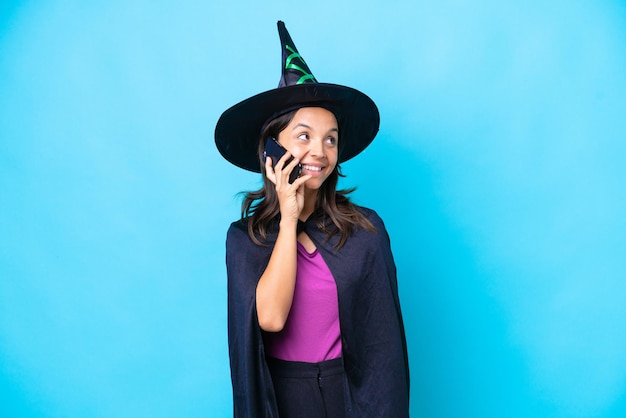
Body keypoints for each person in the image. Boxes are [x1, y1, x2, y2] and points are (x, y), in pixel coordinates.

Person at [215, 21, 410, 417]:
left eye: (331, 138)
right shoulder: (244, 238)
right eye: (303, 136)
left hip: (350, 395)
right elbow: (269, 319)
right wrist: (288, 220)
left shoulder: (365, 231)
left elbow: (383, 350)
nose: (319, 151)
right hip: (284, 396)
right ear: (272, 147)